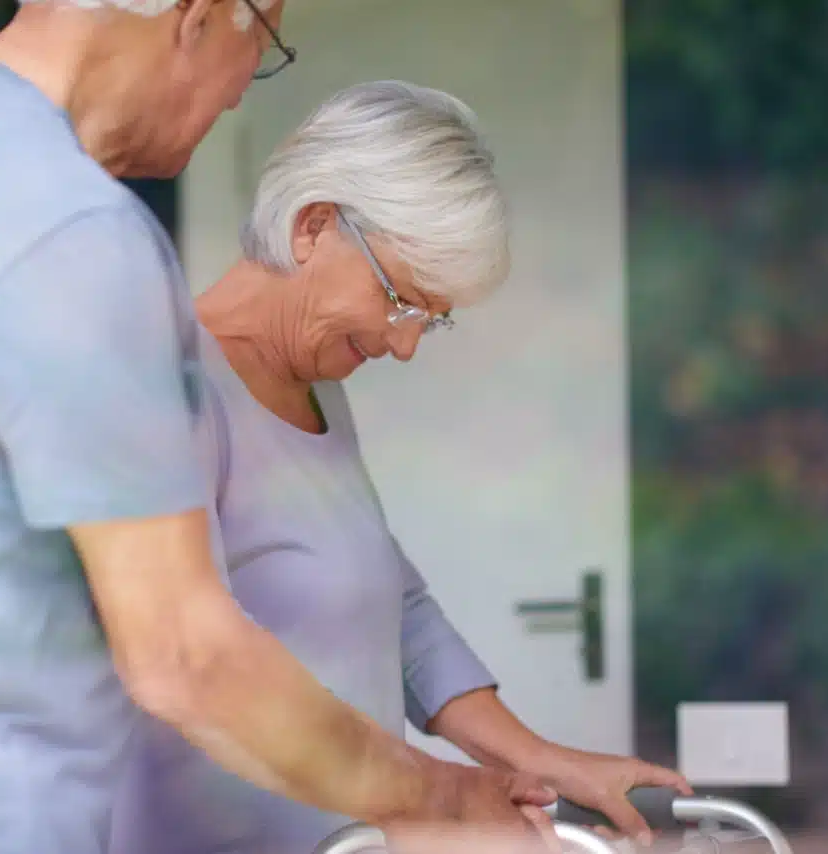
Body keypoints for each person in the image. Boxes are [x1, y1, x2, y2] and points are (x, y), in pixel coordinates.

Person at [0, 4, 556, 854]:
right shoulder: (69, 226)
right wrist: (439, 799)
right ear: (199, 15)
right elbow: (184, 657)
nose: (243, 90)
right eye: (265, 41)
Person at [112, 81, 692, 854]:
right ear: (313, 226)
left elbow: (401, 609)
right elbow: (194, 667)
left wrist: (543, 761)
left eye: (431, 319)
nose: (405, 343)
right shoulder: (174, 392)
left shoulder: (315, 389)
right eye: (400, 300)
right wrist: (441, 797)